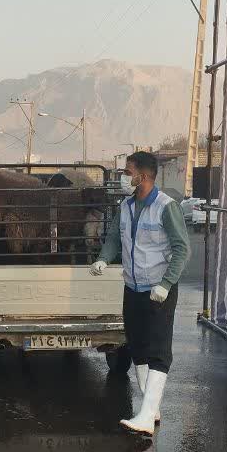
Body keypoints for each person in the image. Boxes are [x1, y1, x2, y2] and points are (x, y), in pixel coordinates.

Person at [91, 151, 190, 434]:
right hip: (133, 288)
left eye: (127, 172)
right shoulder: (126, 206)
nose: (124, 177)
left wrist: (166, 284)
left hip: (159, 290)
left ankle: (146, 417)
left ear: (142, 176)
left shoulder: (165, 206)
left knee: (158, 351)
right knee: (137, 347)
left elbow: (183, 249)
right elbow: (114, 237)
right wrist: (103, 258)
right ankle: (151, 408)